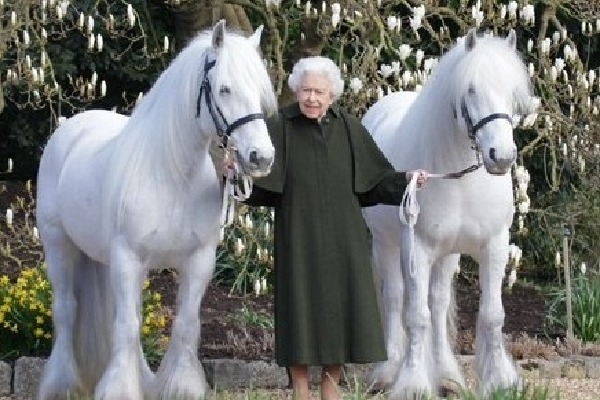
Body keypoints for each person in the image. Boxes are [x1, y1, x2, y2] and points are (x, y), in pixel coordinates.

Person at [243, 56, 428, 400]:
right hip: (297, 236)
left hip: (345, 240)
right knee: (298, 310)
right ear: (296, 90)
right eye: (306, 90)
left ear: (332, 96)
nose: (312, 98)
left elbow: (375, 181)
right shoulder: (279, 125)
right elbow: (257, 181)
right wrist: (234, 174)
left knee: (341, 312)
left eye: (319, 92)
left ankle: (330, 387)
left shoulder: (349, 128)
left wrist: (408, 180)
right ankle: (300, 388)